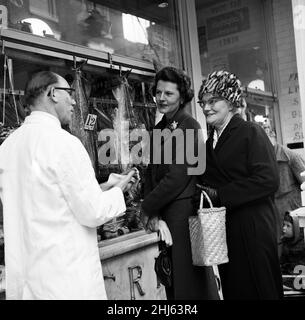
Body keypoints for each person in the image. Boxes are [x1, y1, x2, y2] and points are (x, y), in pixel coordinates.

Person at [0, 71, 138, 300]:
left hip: (27, 285)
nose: (74, 101)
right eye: (69, 93)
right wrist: (118, 190)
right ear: (53, 93)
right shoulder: (65, 144)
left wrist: (102, 187)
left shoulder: (7, 148)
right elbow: (92, 211)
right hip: (65, 282)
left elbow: (47, 198)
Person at [196, 70, 283, 300]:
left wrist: (221, 195)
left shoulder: (250, 132)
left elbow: (269, 179)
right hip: (227, 233)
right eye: (203, 102)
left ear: (231, 102)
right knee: (236, 290)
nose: (206, 108)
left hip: (254, 230)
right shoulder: (208, 143)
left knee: (260, 290)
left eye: (213, 101)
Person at [140, 66, 219, 300]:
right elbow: (150, 173)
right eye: (158, 92)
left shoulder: (190, 126)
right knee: (172, 281)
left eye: (169, 94)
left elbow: (177, 177)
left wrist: (147, 207)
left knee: (190, 284)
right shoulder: (159, 128)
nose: (161, 98)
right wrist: (151, 208)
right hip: (166, 215)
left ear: (182, 97)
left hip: (184, 216)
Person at [266, 130, 305, 245]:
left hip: (291, 216)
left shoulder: (290, 156)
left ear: (273, 136)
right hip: (274, 216)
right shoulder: (264, 158)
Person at [280, 211, 305, 290]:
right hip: (289, 280)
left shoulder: (302, 244)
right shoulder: (285, 242)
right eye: (284, 225)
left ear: (296, 228)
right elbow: (283, 265)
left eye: (288, 226)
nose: (284, 228)